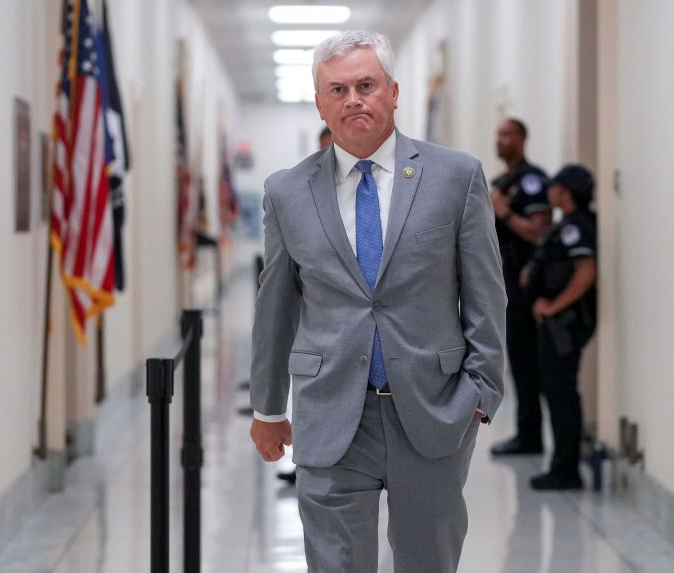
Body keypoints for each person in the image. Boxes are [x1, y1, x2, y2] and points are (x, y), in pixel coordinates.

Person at [250, 30, 506, 573]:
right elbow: (275, 309)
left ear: (393, 93)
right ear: (320, 103)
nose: (353, 100)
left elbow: (487, 295)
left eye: (366, 85)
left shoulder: (456, 177)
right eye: (337, 90)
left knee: (427, 561)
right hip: (331, 413)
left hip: (433, 410)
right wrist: (268, 409)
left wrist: (481, 392)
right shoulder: (287, 192)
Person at [524, 165, 597, 490]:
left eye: (555, 186)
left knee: (562, 393)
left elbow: (585, 272)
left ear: (565, 192)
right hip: (554, 324)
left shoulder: (576, 228)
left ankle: (566, 469)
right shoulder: (565, 226)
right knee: (555, 391)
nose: (549, 190)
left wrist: (554, 306)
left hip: (564, 325)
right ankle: (562, 465)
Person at [488, 118, 553, 456]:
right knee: (518, 359)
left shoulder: (531, 181)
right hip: (507, 282)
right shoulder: (501, 181)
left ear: (522, 139)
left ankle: (533, 436)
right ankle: (527, 434)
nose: (501, 140)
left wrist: (504, 211)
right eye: (498, 134)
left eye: (508, 135)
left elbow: (539, 231)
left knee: (532, 361)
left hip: (531, 284)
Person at [277, 124, 334, 486]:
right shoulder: (295, 194)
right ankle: (311, 461)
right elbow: (277, 303)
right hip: (321, 348)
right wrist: (267, 410)